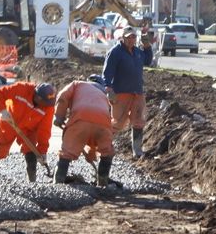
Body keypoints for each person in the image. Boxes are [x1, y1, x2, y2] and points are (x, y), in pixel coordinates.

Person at [0, 80, 56, 182]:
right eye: (45, 103)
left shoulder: (49, 107)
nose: (47, 106)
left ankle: (32, 183)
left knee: (31, 150)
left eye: (49, 103)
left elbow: (45, 130)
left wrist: (42, 151)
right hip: (9, 121)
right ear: (37, 96)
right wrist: (2, 110)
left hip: (29, 129)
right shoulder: (22, 89)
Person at [53, 75, 116, 186]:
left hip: (80, 119)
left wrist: (59, 116)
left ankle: (58, 183)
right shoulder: (104, 97)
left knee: (66, 153)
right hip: (104, 124)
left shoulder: (78, 84)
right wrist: (91, 154)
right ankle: (102, 183)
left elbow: (62, 96)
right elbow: (93, 131)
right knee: (107, 152)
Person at [102, 25, 149, 158]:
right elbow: (107, 72)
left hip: (137, 93)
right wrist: (108, 87)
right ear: (122, 38)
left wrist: (147, 46)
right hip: (121, 93)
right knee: (117, 123)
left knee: (138, 121)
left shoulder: (138, 52)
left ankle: (137, 150)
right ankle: (104, 146)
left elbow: (148, 60)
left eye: (133, 37)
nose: (131, 40)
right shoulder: (115, 52)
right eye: (128, 37)